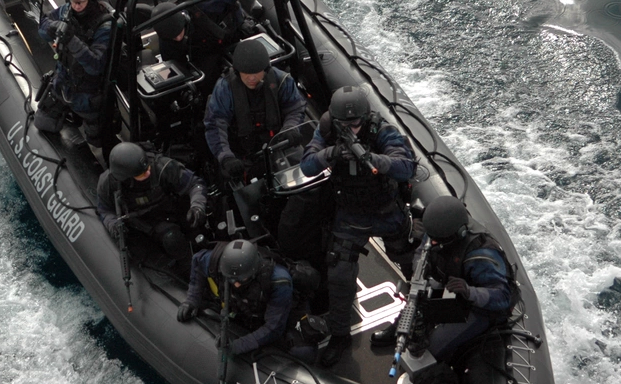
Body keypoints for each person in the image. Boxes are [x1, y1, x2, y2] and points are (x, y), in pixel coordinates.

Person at [300, 85, 418, 367]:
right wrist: (331, 155)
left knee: (414, 269)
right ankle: (340, 334)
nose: (353, 129)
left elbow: (406, 166)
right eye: (347, 124)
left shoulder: (381, 130)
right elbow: (306, 165)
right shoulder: (327, 129)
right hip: (351, 213)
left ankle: (413, 323)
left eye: (357, 123)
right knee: (339, 272)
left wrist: (373, 159)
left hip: (386, 210)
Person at [369, 196, 515, 365]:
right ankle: (403, 326)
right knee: (418, 308)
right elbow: (422, 252)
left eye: (437, 240)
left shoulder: (481, 256)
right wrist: (420, 275)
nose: (432, 243)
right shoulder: (436, 234)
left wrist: (469, 291)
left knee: (432, 350)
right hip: (449, 286)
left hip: (478, 307)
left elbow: (503, 296)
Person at [176, 239, 318, 362]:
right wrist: (192, 300)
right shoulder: (218, 261)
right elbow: (198, 261)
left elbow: (274, 328)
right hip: (244, 307)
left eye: (241, 280)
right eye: (232, 279)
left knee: (303, 352)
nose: (236, 284)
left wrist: (237, 346)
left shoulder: (279, 282)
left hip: (283, 312)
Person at [203, 39, 306, 183]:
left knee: (303, 166)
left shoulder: (281, 81)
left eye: (256, 72)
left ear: (265, 69)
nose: (252, 78)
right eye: (246, 73)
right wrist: (226, 157)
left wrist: (290, 128)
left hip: (277, 144)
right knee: (234, 184)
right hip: (239, 153)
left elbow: (295, 108)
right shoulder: (224, 89)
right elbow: (215, 124)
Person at [97, 142, 207, 270]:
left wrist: (197, 206)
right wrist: (113, 224)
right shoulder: (108, 184)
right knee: (162, 242)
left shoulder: (162, 167)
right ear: (126, 177)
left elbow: (195, 184)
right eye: (141, 174)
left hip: (173, 212)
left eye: (147, 168)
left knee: (176, 237)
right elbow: (104, 210)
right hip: (145, 224)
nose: (148, 173)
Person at [35, 0, 113, 151]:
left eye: (81, 2)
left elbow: (95, 65)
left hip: (87, 94)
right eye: (73, 1)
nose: (76, 6)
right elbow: (43, 26)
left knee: (99, 146)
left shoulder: (104, 26)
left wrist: (71, 39)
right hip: (62, 84)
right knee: (42, 122)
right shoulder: (66, 11)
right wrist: (52, 28)